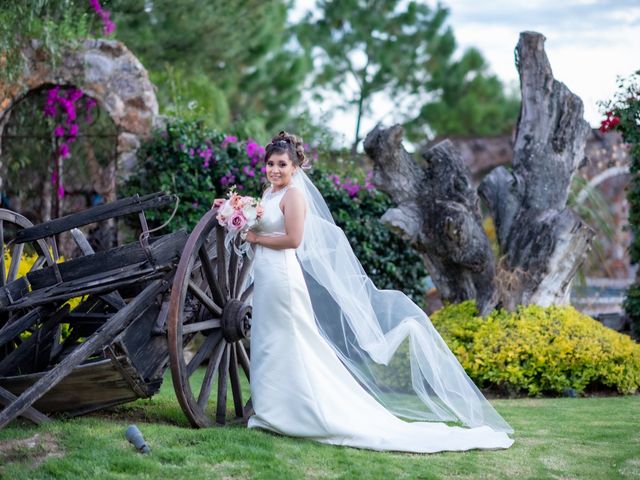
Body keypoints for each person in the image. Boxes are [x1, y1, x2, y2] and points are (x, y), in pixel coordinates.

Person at [242, 131, 514, 453]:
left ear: (295, 167)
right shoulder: (269, 194)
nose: (275, 170)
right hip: (267, 276)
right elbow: (260, 226)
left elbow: (293, 240)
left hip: (284, 277)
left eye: (282, 164)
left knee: (291, 339)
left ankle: (305, 413)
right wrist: (238, 215)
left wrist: (257, 239)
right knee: (269, 341)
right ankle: (272, 410)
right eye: (270, 164)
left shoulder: (294, 197)